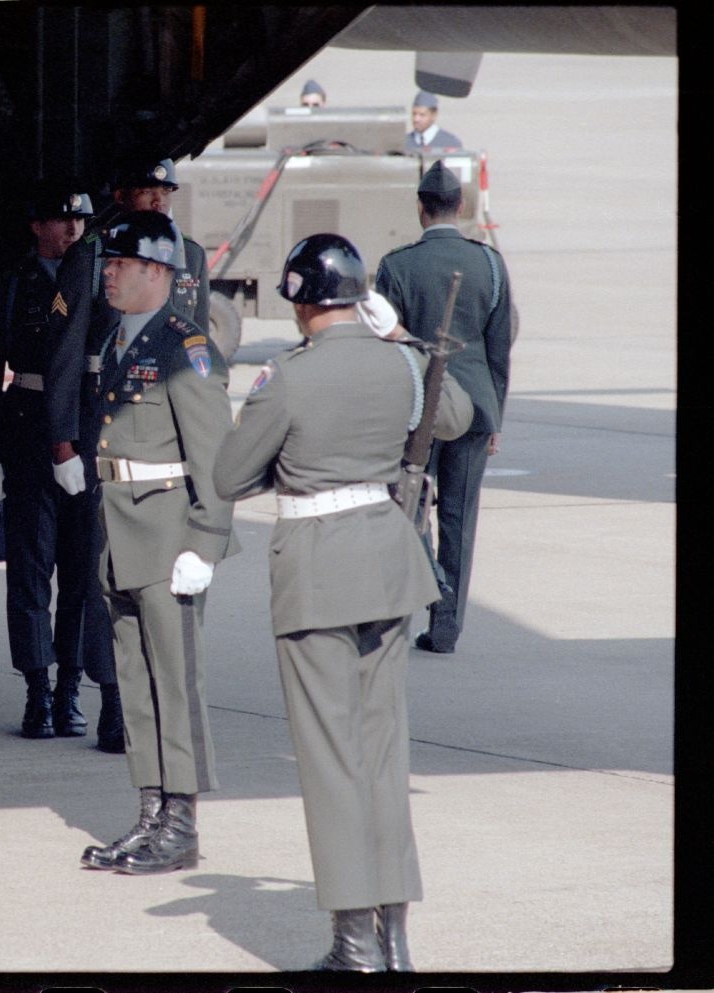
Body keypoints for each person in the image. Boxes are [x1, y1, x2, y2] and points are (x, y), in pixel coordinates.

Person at [211, 233, 473, 970]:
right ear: (359, 297)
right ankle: (394, 936)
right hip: (389, 567)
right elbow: (452, 415)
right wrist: (404, 339)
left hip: (319, 573)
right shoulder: (401, 361)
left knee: (331, 760)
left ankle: (355, 944)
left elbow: (231, 475)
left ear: (299, 301)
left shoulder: (287, 377)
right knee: (383, 756)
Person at [77, 211, 238, 875]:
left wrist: (206, 542)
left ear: (158, 272)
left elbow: (217, 463)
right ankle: (150, 813)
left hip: (169, 536)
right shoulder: (119, 338)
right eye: (107, 263)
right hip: (123, 534)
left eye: (118, 263)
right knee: (136, 683)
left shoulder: (184, 347)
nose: (106, 273)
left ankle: (183, 821)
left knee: (176, 684)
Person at [0, 179, 123, 746]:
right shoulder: (12, 285)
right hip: (29, 429)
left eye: (81, 221)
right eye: (63, 220)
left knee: (85, 570)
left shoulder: (105, 277)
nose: (75, 230)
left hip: (91, 427)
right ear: (38, 226)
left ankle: (69, 688)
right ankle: (37, 688)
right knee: (31, 570)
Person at [374, 160, 512, 654]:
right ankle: (447, 624)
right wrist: (495, 417)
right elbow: (500, 349)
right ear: (461, 207)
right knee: (459, 515)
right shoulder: (491, 263)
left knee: (412, 510)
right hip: (475, 407)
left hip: (417, 410)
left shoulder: (397, 265)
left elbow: (384, 345)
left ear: (420, 208)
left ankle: (416, 596)